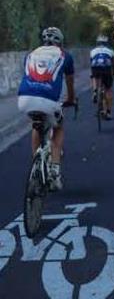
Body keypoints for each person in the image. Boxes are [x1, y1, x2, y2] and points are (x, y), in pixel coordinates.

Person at [17, 27, 75, 191]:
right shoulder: (65, 55)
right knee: (58, 127)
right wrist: (70, 100)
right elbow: (70, 83)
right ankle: (55, 171)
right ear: (60, 42)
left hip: (24, 99)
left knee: (36, 124)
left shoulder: (31, 54)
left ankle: (36, 161)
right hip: (49, 101)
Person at [90, 35, 114, 119]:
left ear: (97, 43)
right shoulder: (110, 51)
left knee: (94, 77)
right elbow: (113, 65)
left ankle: (95, 91)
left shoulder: (93, 51)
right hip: (106, 69)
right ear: (106, 43)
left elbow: (91, 64)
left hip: (96, 68)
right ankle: (108, 112)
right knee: (108, 90)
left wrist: (92, 74)